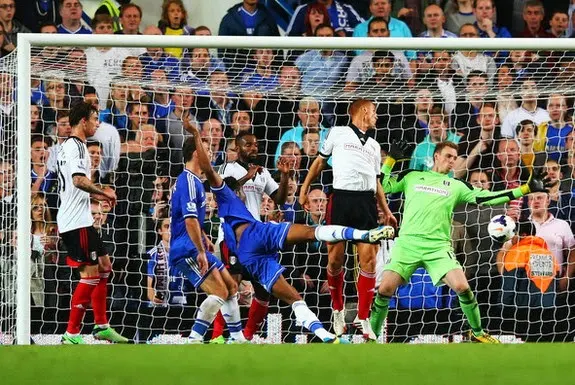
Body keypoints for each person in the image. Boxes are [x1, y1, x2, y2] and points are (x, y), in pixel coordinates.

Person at [184, 119, 394, 343]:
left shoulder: (263, 173)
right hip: (234, 241)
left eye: (256, 145)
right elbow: (223, 184)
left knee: (271, 289)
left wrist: (283, 176)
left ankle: (246, 337)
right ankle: (217, 337)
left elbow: (280, 199)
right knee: (231, 287)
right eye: (248, 145)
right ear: (236, 148)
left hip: (261, 233)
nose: (254, 148)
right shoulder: (228, 171)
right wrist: (247, 174)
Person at [370, 140, 552, 343]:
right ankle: (372, 337)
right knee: (385, 290)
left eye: (455, 158)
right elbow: (382, 186)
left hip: (437, 248)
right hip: (408, 245)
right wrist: (391, 160)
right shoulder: (412, 176)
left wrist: (525, 189)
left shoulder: (456, 186)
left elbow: (489, 197)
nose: (451, 161)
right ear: (436, 156)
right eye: (448, 156)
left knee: (462, 287)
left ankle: (478, 332)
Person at [300, 98, 396, 340]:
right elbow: (320, 162)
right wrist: (304, 188)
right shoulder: (338, 132)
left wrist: (386, 210)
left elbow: (376, 181)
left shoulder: (374, 145)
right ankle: (338, 308)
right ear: (363, 111)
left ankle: (364, 318)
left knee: (369, 261)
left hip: (366, 203)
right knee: (335, 260)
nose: (376, 116)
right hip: (341, 200)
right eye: (374, 111)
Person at [57, 102, 128, 344]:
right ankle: (72, 334)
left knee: (105, 266)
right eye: (95, 118)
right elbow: (77, 181)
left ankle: (102, 326)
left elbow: (76, 187)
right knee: (90, 273)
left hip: (80, 218)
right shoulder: (75, 147)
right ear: (83, 121)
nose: (97, 123)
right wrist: (104, 191)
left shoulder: (74, 146)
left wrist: (99, 194)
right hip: (75, 221)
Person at [169, 132, 247, 344]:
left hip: (194, 244)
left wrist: (204, 237)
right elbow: (189, 220)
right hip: (186, 250)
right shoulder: (188, 181)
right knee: (219, 291)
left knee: (231, 286)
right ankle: (194, 338)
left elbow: (188, 217)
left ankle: (238, 338)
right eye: (207, 150)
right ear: (197, 154)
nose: (211, 153)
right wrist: (202, 250)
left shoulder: (193, 180)